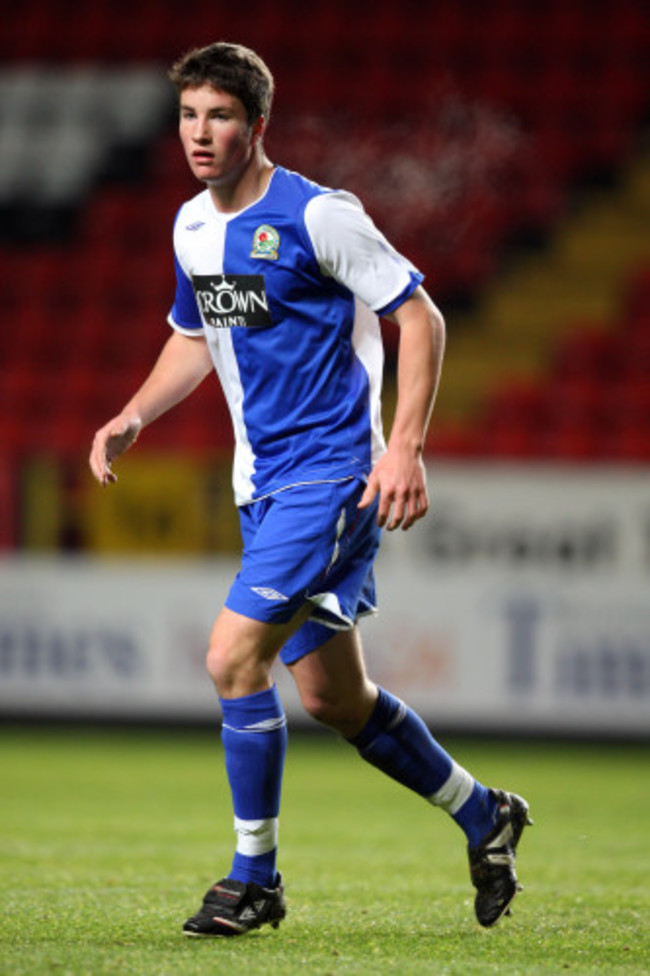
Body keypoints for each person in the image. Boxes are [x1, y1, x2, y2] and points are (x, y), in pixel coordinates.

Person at [89, 41, 531, 937]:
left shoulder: (319, 216)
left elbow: (419, 314)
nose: (200, 134)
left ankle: (256, 878)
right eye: (187, 116)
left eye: (219, 117)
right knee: (333, 699)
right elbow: (192, 334)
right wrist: (134, 414)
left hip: (331, 477)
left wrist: (403, 447)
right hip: (264, 488)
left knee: (229, 658)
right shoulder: (190, 227)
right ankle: (484, 813)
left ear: (257, 126)